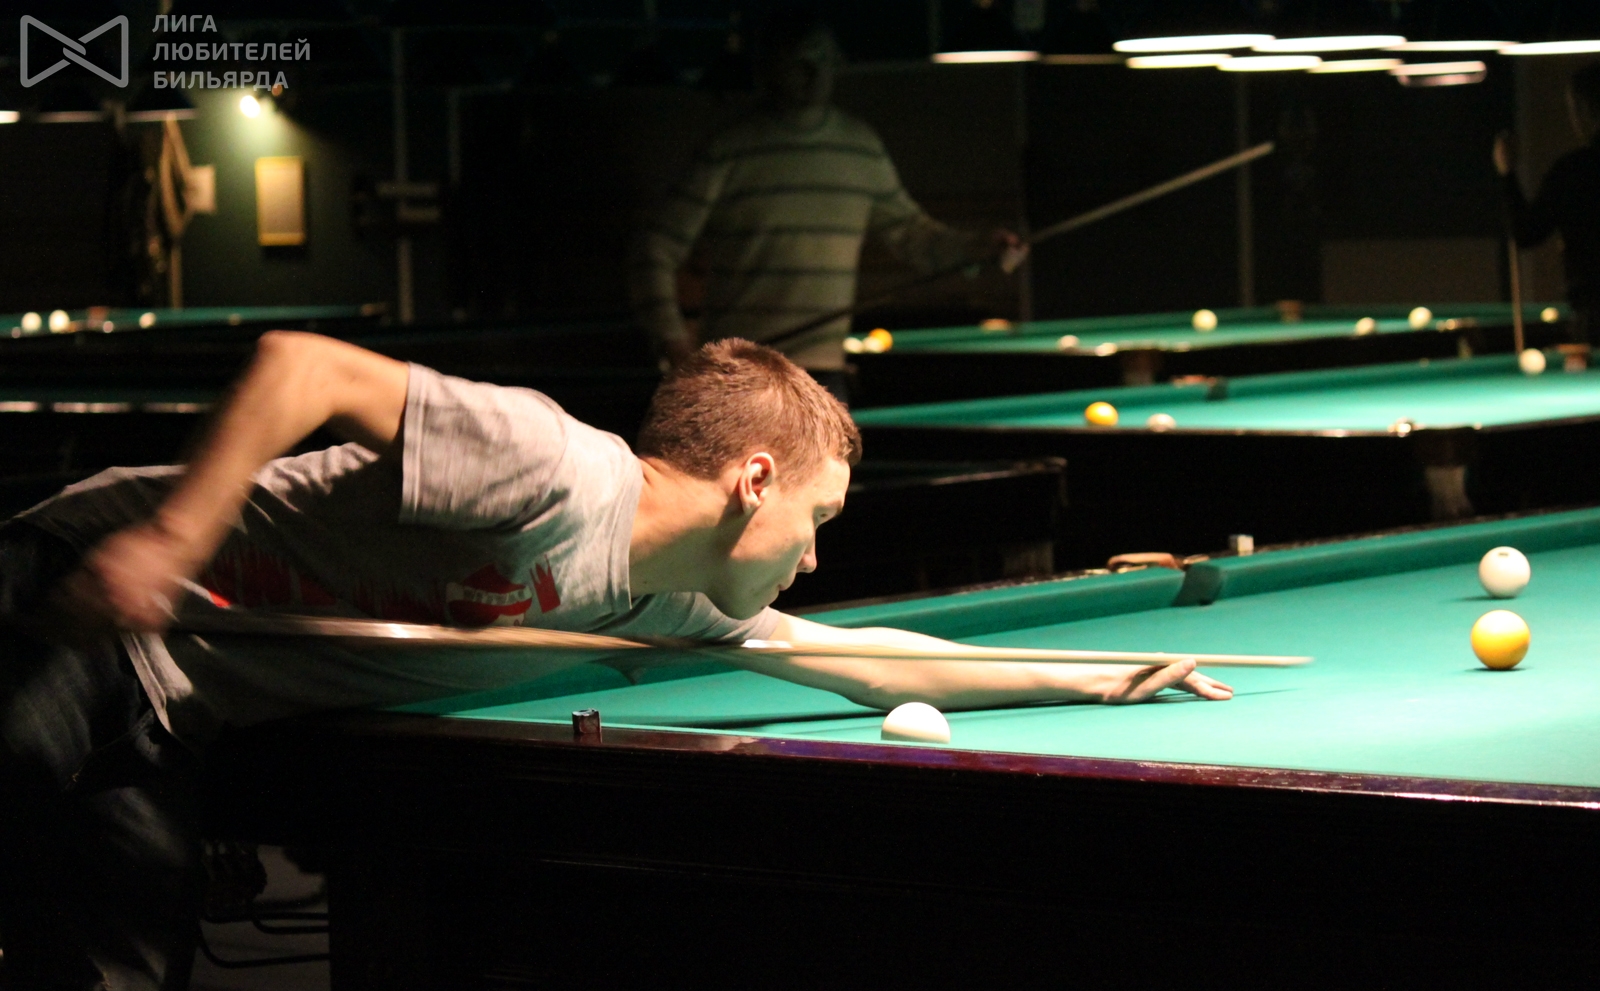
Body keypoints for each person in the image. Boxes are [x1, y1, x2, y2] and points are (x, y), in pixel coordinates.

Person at [0, 333, 1227, 989]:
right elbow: (300, 366)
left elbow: (861, 661)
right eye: (816, 521)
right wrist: (175, 537)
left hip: (170, 710)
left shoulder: (671, 602)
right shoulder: (548, 465)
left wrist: (1102, 676)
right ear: (754, 480)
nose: (811, 560)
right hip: (69, 595)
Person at [628, 10, 1027, 401]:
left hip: (823, 378)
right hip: (741, 375)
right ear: (768, 68)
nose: (813, 72)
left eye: (823, 59)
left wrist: (979, 248)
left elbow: (914, 237)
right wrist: (673, 341)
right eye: (798, 61)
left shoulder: (860, 149)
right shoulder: (728, 151)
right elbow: (653, 251)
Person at [1494, 61, 1600, 344]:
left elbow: (1526, 233)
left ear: (1585, 111)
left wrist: (1507, 173)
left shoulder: (1574, 171)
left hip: (1594, 315)